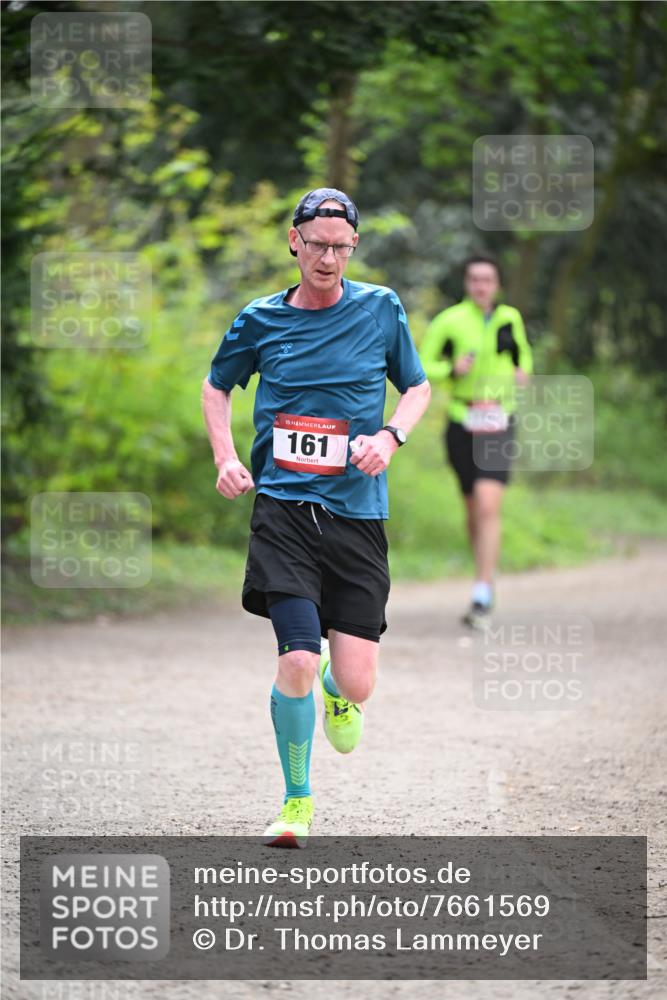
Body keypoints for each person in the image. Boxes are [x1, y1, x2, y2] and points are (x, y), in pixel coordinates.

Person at [202, 188, 431, 847]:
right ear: (293, 242)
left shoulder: (380, 308)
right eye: (317, 244)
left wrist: (389, 437)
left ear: (352, 247)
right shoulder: (259, 320)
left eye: (341, 246)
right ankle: (296, 801)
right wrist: (224, 457)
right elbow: (217, 383)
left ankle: (339, 690)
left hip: (356, 516)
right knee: (296, 658)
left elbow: (416, 386)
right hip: (283, 510)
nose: (328, 257)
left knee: (354, 680)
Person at [420, 255, 532, 629]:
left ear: (497, 283)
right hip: (461, 420)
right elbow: (422, 367)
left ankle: (482, 590)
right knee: (472, 508)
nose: (481, 285)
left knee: (488, 502)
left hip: (499, 419)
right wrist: (452, 370)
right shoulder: (449, 321)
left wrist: (522, 373)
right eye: (475, 279)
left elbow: (524, 358)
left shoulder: (509, 318)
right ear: (467, 284)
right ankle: (483, 573)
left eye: (488, 279)